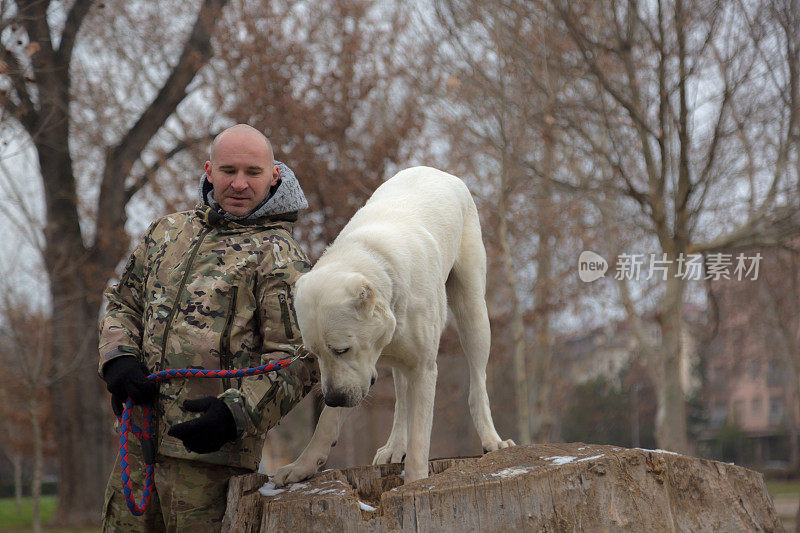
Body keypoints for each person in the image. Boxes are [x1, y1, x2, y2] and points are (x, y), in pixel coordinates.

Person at [98, 124, 319, 531]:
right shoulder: (165, 233)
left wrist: (236, 412)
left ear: (274, 176)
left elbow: (298, 357)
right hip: (137, 446)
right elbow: (124, 303)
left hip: (212, 465)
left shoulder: (280, 256)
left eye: (252, 172)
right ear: (208, 171)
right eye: (228, 170)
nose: (239, 184)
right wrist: (118, 359)